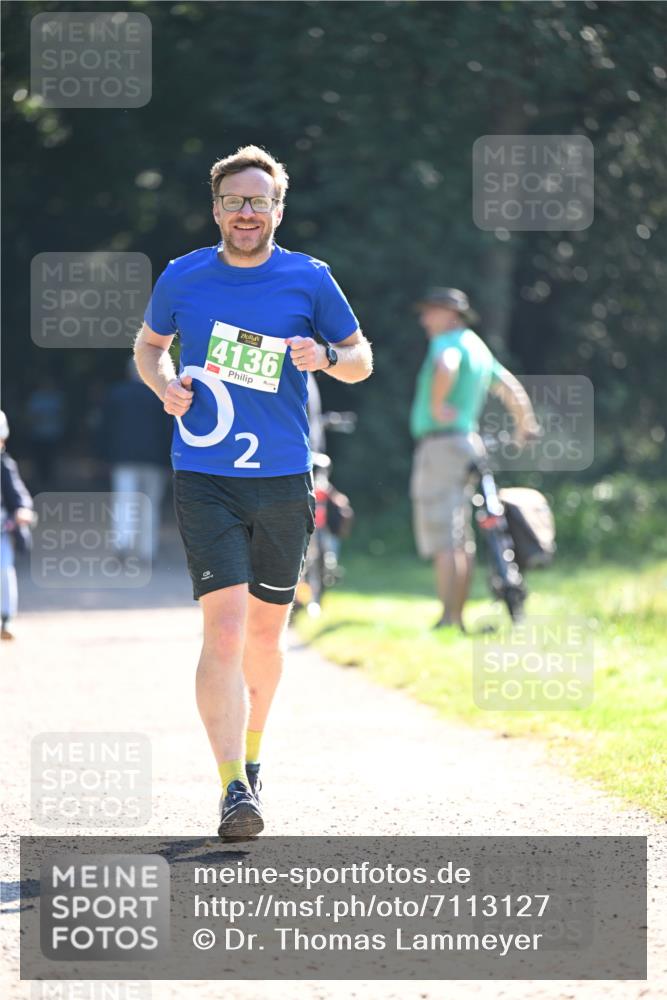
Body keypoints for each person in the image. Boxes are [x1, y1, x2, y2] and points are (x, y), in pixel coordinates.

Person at [134, 145, 372, 840]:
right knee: (226, 628)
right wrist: (164, 384)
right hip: (205, 474)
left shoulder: (309, 278)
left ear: (277, 208)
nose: (246, 212)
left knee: (267, 635)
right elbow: (149, 347)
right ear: (216, 209)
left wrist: (326, 355)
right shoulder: (182, 277)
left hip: (282, 478)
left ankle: (254, 758)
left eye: (258, 201)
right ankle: (232, 787)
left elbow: (361, 360)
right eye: (234, 201)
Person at [410, 287, 538, 632]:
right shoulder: (477, 346)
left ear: (451, 315)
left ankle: (449, 618)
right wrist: (525, 424)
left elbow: (445, 366)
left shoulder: (447, 343)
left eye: (430, 311)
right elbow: (509, 386)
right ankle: (456, 616)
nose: (424, 319)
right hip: (468, 443)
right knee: (459, 535)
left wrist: (438, 405)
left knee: (444, 536)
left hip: (441, 444)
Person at [97, 359, 172, 563]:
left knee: (125, 503)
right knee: (150, 506)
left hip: (124, 458)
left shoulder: (116, 394)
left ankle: (123, 545)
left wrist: (104, 456)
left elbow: (105, 428)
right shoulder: (162, 396)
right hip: (155, 460)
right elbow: (169, 431)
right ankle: (147, 551)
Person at [1, 410, 35, 640]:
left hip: (1, 528)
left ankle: (6, 618)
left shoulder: (4, 465)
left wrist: (22, 509)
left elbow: (17, 491)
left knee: (4, 569)